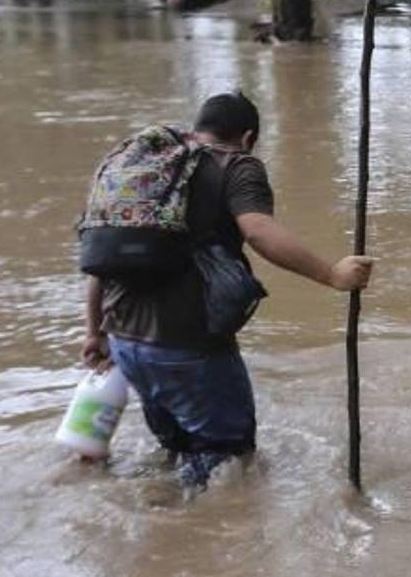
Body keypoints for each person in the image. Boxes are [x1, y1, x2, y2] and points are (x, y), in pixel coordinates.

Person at [79, 91, 373, 489]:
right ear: (248, 136)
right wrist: (332, 275)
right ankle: (200, 542)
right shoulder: (237, 165)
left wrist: (94, 332)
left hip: (125, 346)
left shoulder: (141, 168)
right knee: (227, 467)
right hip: (188, 349)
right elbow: (258, 230)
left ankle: (160, 532)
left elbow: (99, 254)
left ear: (198, 127)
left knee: (176, 453)